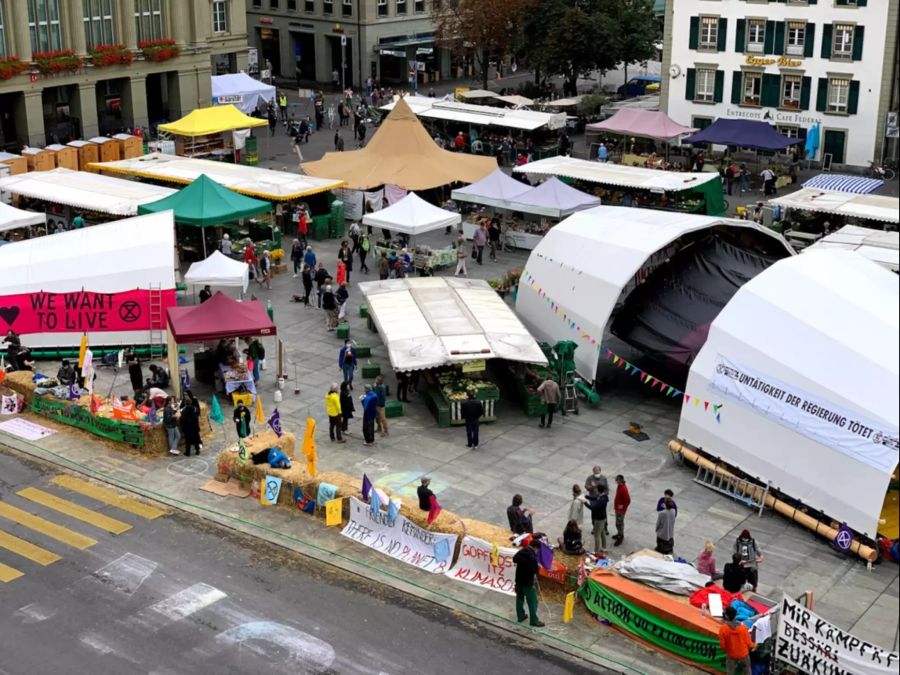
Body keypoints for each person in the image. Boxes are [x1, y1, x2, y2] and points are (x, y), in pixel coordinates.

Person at [513, 539, 544, 627]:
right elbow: (535, 569)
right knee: (533, 602)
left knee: (519, 599)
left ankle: (521, 616)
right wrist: (537, 567)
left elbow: (514, 559)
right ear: (536, 547)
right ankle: (534, 621)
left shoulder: (522, 551)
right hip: (527, 583)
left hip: (518, 581)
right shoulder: (532, 556)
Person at [718, 605, 755, 675]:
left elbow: (722, 645)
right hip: (743, 654)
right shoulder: (743, 628)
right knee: (747, 670)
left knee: (730, 671)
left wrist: (728, 650)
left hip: (731, 654)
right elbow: (749, 643)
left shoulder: (723, 629)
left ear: (726, 616)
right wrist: (754, 645)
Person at [586, 486, 610, 553]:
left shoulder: (601, 501)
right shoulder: (603, 496)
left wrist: (585, 503)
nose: (595, 491)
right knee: (602, 532)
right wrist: (587, 497)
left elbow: (593, 508)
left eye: (596, 490)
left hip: (599, 519)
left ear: (598, 491)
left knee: (597, 535)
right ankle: (604, 547)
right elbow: (594, 498)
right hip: (603, 518)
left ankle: (596, 551)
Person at [180, 391, 202, 456]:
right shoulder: (193, 409)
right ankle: (197, 450)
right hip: (194, 426)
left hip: (188, 427)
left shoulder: (185, 411)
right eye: (184, 395)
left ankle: (188, 452)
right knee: (195, 439)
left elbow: (183, 418)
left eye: (186, 394)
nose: (185, 396)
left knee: (188, 440)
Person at [613, 474, 631, 547]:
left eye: (617, 480)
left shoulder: (623, 488)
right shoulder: (619, 486)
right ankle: (619, 534)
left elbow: (628, 500)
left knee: (619, 523)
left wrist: (623, 507)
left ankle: (620, 537)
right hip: (618, 508)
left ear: (620, 480)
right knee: (617, 523)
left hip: (621, 510)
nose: (616, 481)